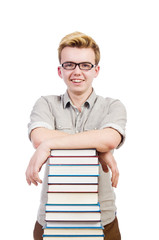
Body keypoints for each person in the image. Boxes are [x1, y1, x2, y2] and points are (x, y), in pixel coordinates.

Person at [26, 31, 127, 240]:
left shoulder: (113, 106)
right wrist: (97, 149)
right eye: (69, 64)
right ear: (60, 70)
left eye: (85, 65)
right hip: (50, 221)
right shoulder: (45, 103)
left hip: (103, 221)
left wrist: (50, 145)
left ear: (96, 70)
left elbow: (110, 139)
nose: (77, 72)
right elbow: (38, 137)